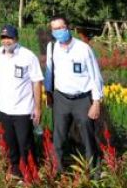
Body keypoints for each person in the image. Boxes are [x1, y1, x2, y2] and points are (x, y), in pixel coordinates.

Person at [44, 16, 104, 171]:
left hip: (82, 99)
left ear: (68, 27)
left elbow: (95, 76)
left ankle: (94, 171)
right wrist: (48, 92)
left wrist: (96, 102)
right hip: (61, 98)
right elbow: (50, 71)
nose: (58, 31)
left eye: (60, 27)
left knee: (87, 137)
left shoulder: (83, 49)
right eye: (54, 29)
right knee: (59, 138)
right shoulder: (52, 47)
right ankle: (58, 171)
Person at [0, 24, 43, 174]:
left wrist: (37, 108)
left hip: (23, 109)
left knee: (25, 142)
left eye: (9, 38)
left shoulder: (28, 56)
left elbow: (36, 82)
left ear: (16, 39)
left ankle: (30, 169)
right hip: (4, 108)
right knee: (10, 141)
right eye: (3, 38)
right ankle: (15, 169)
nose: (6, 41)